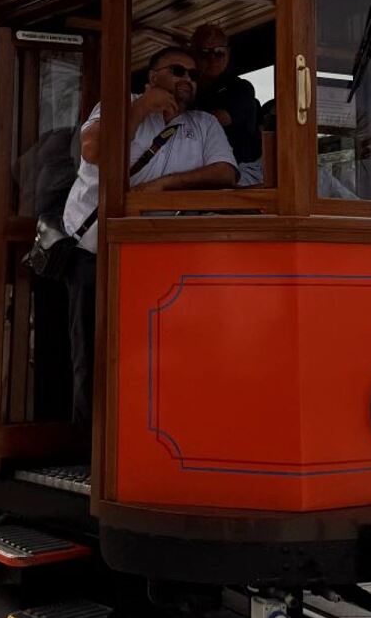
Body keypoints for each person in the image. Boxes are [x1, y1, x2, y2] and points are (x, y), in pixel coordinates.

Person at [61, 45, 238, 424]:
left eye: (192, 74)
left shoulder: (203, 124)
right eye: (177, 71)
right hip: (98, 249)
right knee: (94, 349)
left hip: (165, 255)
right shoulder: (116, 106)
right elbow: (93, 150)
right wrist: (143, 106)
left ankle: (150, 435)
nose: (187, 79)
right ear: (152, 75)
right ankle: (92, 448)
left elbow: (226, 172)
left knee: (160, 350)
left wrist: (166, 184)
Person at [190, 23, 263, 186]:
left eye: (219, 53)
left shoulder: (240, 88)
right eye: (204, 53)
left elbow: (215, 120)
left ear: (228, 54)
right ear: (192, 54)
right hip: (199, 173)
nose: (212, 59)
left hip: (239, 175)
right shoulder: (189, 89)